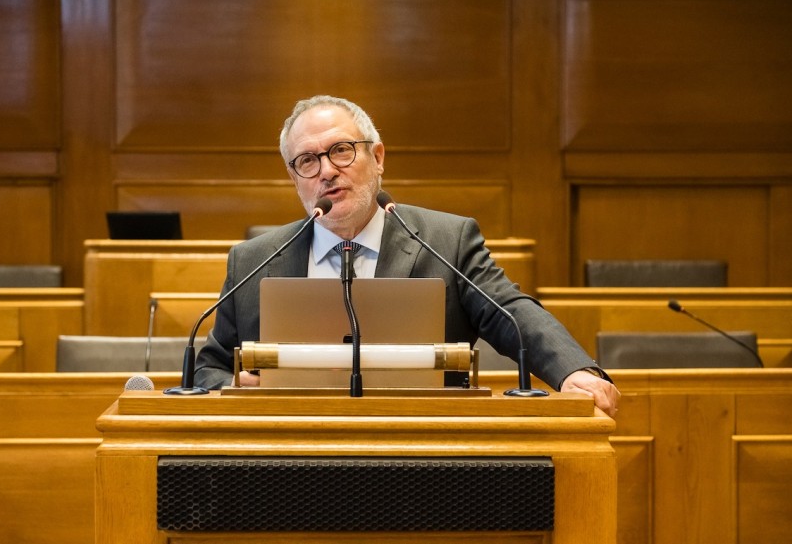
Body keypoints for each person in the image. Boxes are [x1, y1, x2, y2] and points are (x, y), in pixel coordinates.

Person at [195, 95, 620, 417]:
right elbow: (208, 369)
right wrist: (237, 384)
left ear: (377, 158)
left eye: (341, 150)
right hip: (291, 456)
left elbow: (509, 312)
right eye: (307, 160)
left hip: (423, 450)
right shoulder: (254, 260)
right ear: (295, 178)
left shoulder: (446, 240)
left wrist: (573, 371)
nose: (326, 170)